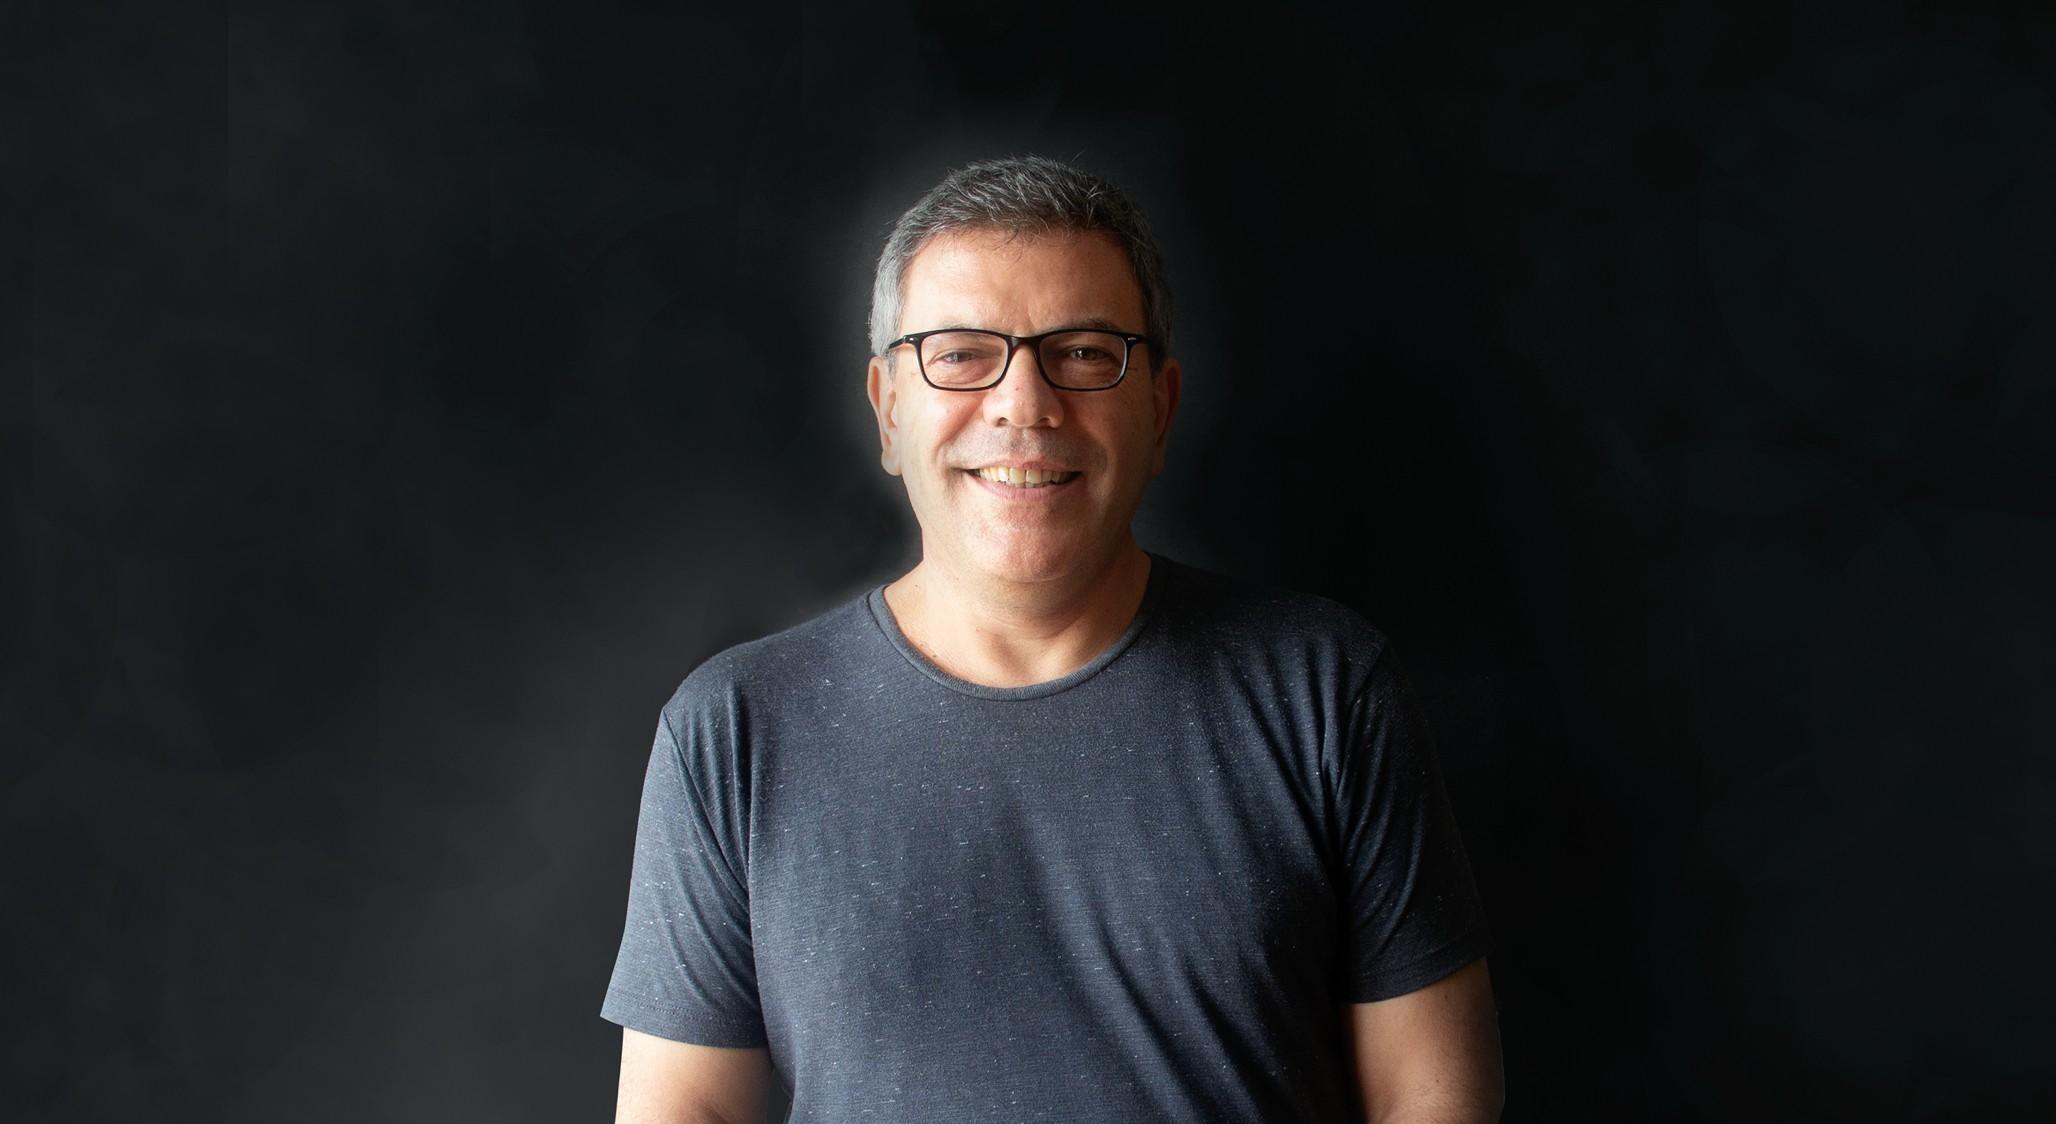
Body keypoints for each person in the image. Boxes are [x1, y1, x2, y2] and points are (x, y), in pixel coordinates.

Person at [601, 155, 1504, 1123]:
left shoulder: (1324, 689)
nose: (1023, 404)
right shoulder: (734, 730)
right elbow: (686, 1109)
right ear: (889, 409)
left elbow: (1433, 1096)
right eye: (958, 353)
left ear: (1158, 409)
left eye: (1081, 352)